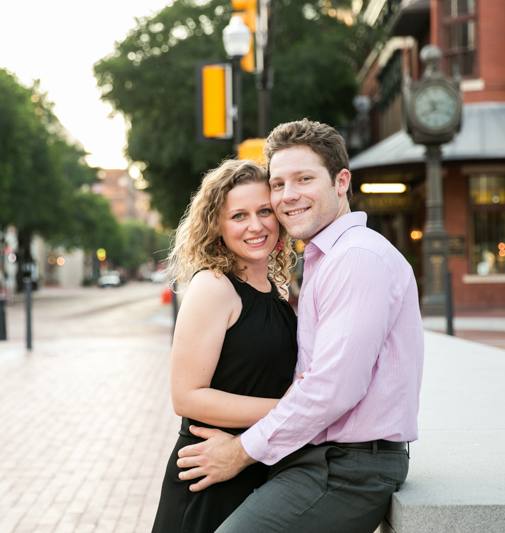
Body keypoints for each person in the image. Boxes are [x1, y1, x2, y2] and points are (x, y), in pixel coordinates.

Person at [176, 119, 425, 533]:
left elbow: (331, 389)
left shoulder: (356, 258)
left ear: (341, 181)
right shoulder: (323, 259)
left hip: (347, 468)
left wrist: (239, 452)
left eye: (304, 179)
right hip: (316, 456)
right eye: (278, 184)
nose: (288, 196)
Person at [151, 159, 299, 533]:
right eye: (239, 215)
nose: (255, 225)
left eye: (264, 210)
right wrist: (292, 412)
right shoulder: (214, 287)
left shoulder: (278, 291)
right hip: (209, 473)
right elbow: (186, 397)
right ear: (217, 225)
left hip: (254, 464)